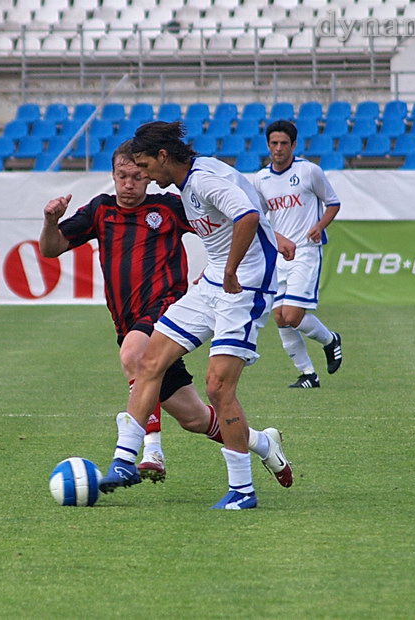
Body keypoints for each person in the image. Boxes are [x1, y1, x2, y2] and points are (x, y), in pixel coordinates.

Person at [39, 141, 292, 490]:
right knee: (195, 418)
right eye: (122, 176)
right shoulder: (100, 210)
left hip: (165, 308)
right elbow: (51, 249)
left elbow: (225, 218)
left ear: (148, 175)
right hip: (127, 321)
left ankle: (145, 452)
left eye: (137, 176)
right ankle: (263, 443)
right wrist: (51, 221)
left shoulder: (170, 206)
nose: (129, 184)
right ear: (112, 176)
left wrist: (272, 236)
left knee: (135, 354)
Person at [98, 123, 286, 510]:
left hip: (244, 287)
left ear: (164, 157)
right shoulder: (192, 178)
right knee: (150, 359)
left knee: (218, 387)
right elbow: (255, 203)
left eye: (147, 165)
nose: (145, 175)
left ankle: (242, 491)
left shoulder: (201, 181)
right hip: (213, 282)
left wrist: (232, 269)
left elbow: (248, 216)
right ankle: (123, 461)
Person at [253, 120, 343, 389]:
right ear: (268, 145)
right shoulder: (260, 179)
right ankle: (308, 374)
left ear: (293, 145)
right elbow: (259, 217)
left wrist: (319, 226)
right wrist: (275, 240)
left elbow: (333, 202)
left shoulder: (309, 171)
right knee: (280, 317)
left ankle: (330, 340)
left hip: (305, 251)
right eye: (273, 144)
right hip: (280, 255)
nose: (278, 149)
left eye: (283, 144)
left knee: (292, 315)